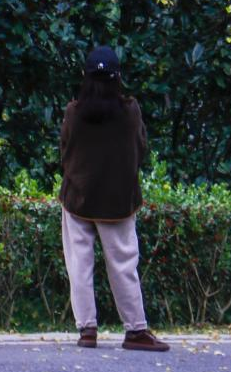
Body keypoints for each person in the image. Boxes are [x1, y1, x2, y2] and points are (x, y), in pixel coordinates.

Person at [59, 44, 169, 352]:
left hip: (77, 196)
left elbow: (65, 151)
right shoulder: (129, 110)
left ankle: (87, 330)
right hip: (118, 199)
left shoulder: (74, 112)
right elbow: (140, 148)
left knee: (79, 265)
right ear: (118, 78)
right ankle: (135, 330)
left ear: (86, 77)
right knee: (123, 264)